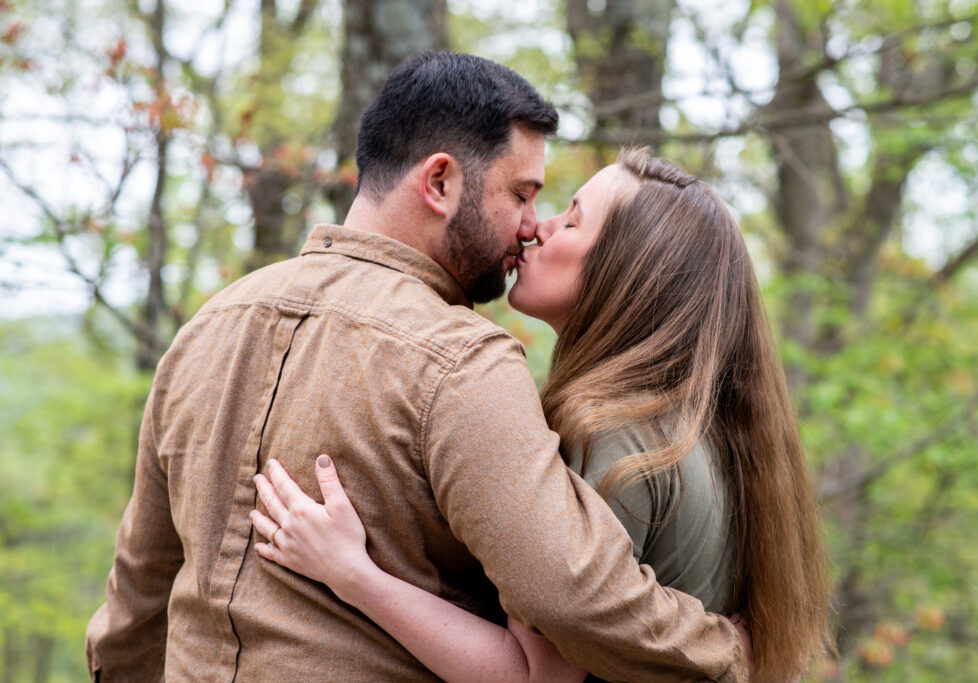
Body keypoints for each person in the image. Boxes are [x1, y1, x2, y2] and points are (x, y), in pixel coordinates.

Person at [85, 52, 749, 682]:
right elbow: (575, 598)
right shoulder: (463, 362)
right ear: (440, 182)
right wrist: (728, 648)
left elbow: (135, 608)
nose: (529, 225)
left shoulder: (204, 330)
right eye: (521, 193)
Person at [251, 149, 834, 682]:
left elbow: (535, 678)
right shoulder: (692, 433)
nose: (537, 228)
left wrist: (355, 575)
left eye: (571, 220)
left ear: (625, 270)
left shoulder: (609, 434)